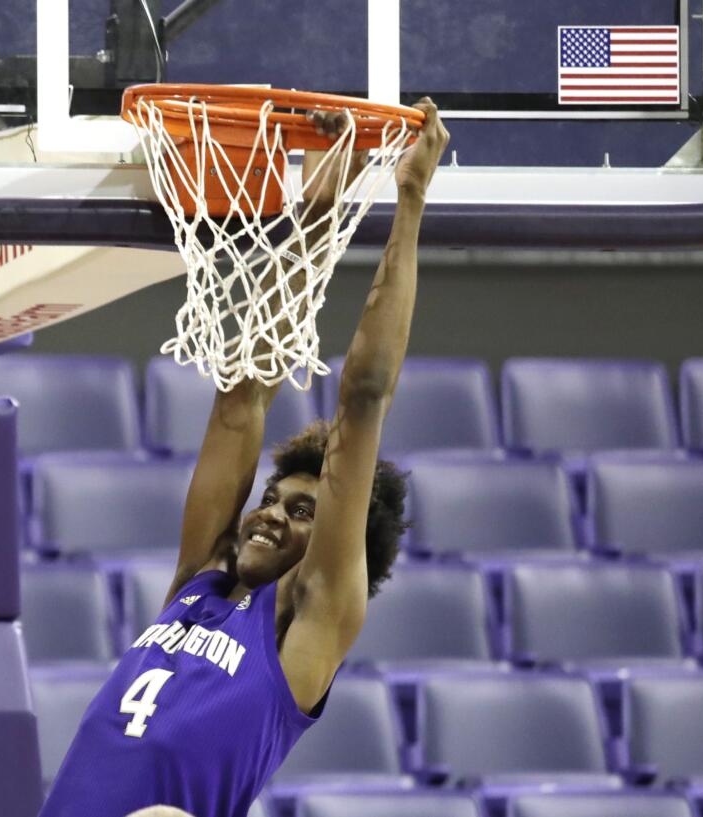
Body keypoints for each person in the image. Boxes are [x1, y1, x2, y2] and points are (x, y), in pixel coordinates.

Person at [37, 99, 450, 817]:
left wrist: (407, 200)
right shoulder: (196, 582)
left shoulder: (307, 619)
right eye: (273, 497)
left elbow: (364, 397)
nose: (268, 515)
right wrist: (320, 209)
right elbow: (240, 399)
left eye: (302, 513)